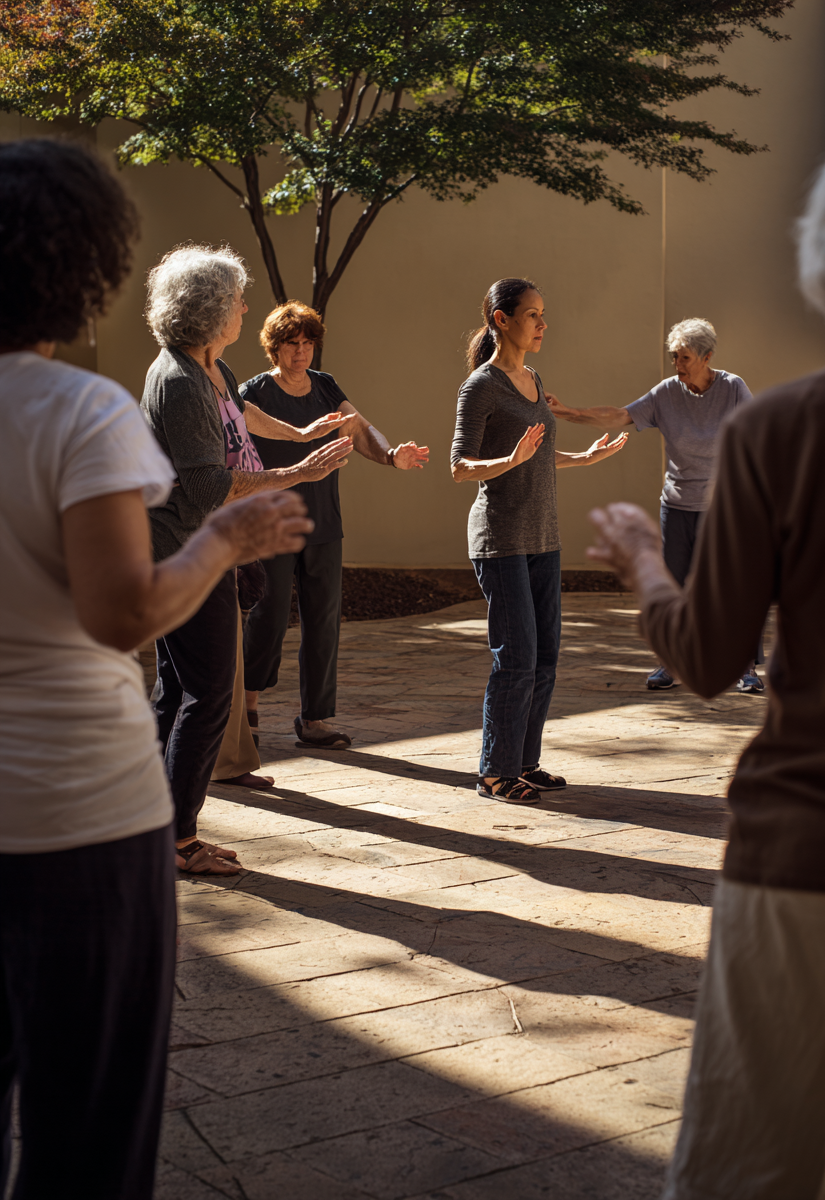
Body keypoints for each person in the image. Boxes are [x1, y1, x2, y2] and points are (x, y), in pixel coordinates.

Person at [587, 136, 825, 1200]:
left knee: (750, 1173)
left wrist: (648, 564)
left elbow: (707, 658)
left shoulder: (782, 429)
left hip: (817, 854)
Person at [0, 139, 313, 1199]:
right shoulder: (73, 412)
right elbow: (121, 609)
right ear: (84, 265)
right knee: (87, 1127)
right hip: (74, 819)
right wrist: (230, 540)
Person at [141, 250, 353, 875]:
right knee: (209, 694)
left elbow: (244, 415)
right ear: (209, 310)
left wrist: (304, 433)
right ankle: (177, 839)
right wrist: (296, 474)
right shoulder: (179, 381)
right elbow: (206, 485)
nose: (244, 308)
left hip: (202, 547)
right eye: (237, 299)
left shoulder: (211, 367)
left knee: (178, 688)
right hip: (185, 552)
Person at [451, 278, 628, 805]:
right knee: (517, 656)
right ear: (502, 320)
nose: (543, 324)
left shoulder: (531, 377)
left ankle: (523, 763)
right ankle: (494, 772)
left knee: (545, 655)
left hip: (543, 537)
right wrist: (508, 462)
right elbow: (459, 466)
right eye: (533, 315)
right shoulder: (480, 387)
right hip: (500, 538)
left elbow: (540, 454)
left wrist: (586, 458)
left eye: (543, 314)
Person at [241, 300, 430, 749]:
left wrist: (389, 456)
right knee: (268, 618)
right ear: (275, 348)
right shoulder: (254, 392)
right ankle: (246, 706)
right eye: (292, 344)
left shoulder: (325, 387)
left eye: (307, 343)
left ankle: (315, 719)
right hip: (271, 523)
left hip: (324, 521)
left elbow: (359, 429)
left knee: (323, 620)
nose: (301, 352)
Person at [547, 319, 764, 693]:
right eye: (674, 357)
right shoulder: (666, 393)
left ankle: (744, 669)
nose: (677, 365)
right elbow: (619, 415)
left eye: (685, 358)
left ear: (707, 357)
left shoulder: (732, 388)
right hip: (678, 505)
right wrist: (567, 412)